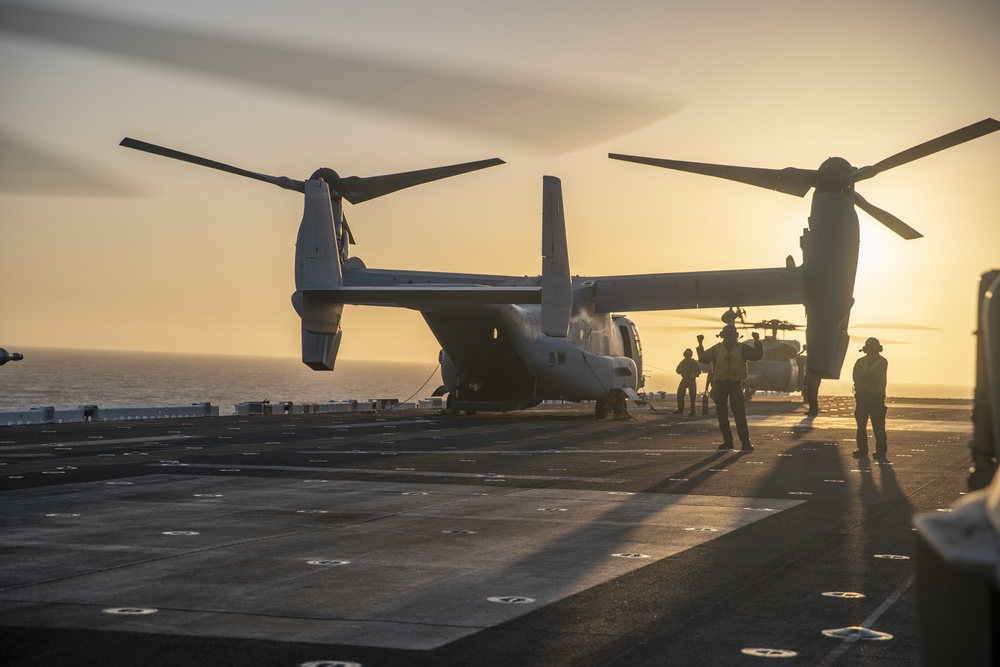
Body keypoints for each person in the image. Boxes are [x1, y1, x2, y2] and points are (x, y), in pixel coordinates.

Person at [697, 325, 763, 451]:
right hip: (720, 384)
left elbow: (756, 356)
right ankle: (728, 442)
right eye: (726, 335)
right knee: (722, 414)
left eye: (730, 335)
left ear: (735, 336)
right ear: (722, 336)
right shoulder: (717, 349)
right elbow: (704, 359)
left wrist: (757, 342)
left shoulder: (741, 348)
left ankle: (745, 442)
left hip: (735, 383)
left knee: (739, 414)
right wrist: (700, 345)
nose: (728, 337)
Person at [853, 337, 888, 460]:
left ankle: (881, 450)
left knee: (878, 426)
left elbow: (877, 378)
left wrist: (865, 377)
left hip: (876, 397)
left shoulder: (882, 362)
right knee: (861, 425)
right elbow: (856, 377)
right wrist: (868, 377)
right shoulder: (860, 361)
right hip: (862, 397)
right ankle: (862, 449)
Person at [673, 348, 701, 415]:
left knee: (692, 396)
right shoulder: (684, 362)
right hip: (685, 379)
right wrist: (681, 372)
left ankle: (692, 411)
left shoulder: (693, 362)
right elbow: (677, 370)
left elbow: (699, 370)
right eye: (686, 355)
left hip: (691, 380)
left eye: (688, 355)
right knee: (680, 394)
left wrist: (694, 374)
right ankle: (680, 409)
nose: (687, 356)